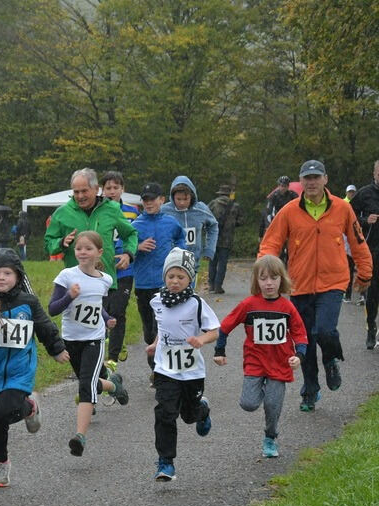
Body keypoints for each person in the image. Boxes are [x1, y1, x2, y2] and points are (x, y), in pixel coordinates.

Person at [259, 159, 372, 412]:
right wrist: (265, 270)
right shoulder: (289, 210)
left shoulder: (342, 208)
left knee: (325, 330)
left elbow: (357, 242)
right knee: (305, 343)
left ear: (325, 179)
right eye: (307, 178)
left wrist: (364, 273)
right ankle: (310, 390)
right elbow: (270, 243)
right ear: (302, 182)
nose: (311, 182)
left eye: (316, 177)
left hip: (333, 282)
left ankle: (331, 359)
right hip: (299, 285)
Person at [0, 248, 67, 487]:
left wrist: (56, 348)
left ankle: (28, 406)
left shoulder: (28, 302)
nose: (2, 278)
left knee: (5, 411)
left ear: (17, 276)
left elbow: (45, 326)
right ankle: (1, 464)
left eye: (7, 273)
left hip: (19, 371)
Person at [213, 255, 308, 459]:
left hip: (280, 363)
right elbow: (225, 327)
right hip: (255, 362)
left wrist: (299, 355)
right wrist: (219, 351)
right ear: (256, 281)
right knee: (248, 404)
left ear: (281, 279)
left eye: (274, 278)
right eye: (263, 278)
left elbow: (300, 333)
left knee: (273, 405)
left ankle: (270, 437)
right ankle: (265, 390)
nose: (269, 283)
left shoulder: (287, 307)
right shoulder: (249, 305)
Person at [48, 231, 129, 457]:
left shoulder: (105, 280)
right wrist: (69, 297)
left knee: (86, 385)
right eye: (79, 248)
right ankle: (114, 385)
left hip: (94, 339)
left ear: (99, 253)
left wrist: (106, 318)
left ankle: (79, 437)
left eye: (88, 248)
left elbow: (96, 305)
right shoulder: (66, 276)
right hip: (71, 340)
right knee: (92, 382)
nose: (82, 252)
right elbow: (52, 309)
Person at [146, 248, 220, 481]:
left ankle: (202, 410)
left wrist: (201, 340)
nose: (175, 281)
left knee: (188, 415)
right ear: (165, 277)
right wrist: (155, 343)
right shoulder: (157, 301)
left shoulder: (196, 304)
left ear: (190, 279)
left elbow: (215, 331)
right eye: (171, 276)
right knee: (165, 412)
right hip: (166, 368)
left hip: (191, 371)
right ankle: (165, 462)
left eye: (180, 277)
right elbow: (164, 326)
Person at [44, 168, 138, 291]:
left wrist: (128, 254)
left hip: (106, 281)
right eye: (76, 192)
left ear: (96, 189)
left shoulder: (112, 209)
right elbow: (48, 244)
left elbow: (131, 234)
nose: (80, 196)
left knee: (113, 311)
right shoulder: (62, 213)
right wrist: (61, 243)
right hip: (76, 286)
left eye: (84, 191)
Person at [131, 182, 187, 380]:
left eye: (152, 199)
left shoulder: (171, 222)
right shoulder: (135, 225)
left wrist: (177, 253)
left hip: (165, 285)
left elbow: (181, 239)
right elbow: (124, 248)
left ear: (162, 200)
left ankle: (161, 373)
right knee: (148, 332)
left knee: (161, 328)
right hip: (144, 284)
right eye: (145, 200)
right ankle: (155, 368)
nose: (148, 203)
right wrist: (138, 246)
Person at [100, 170, 139, 367]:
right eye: (108, 188)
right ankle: (105, 347)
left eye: (116, 187)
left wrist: (131, 252)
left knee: (117, 310)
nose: (112, 191)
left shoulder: (132, 211)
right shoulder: (97, 211)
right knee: (101, 310)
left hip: (125, 270)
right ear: (102, 190)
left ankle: (112, 358)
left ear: (123, 189)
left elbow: (135, 234)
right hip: (102, 269)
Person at [160, 176, 218, 290]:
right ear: (172, 197)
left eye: (185, 199)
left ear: (192, 196)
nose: (182, 203)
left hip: (192, 263)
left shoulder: (201, 209)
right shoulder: (164, 211)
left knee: (188, 298)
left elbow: (213, 226)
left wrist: (209, 249)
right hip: (169, 263)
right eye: (178, 199)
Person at [350, 159, 379, 348]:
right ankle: (371, 330)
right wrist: (365, 219)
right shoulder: (365, 193)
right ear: (375, 173)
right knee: (373, 294)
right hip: (373, 251)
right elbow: (349, 215)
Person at [207, 184, 242, 294]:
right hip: (227, 239)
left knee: (212, 262)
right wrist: (231, 224)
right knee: (222, 263)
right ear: (228, 194)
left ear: (220, 193)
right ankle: (218, 286)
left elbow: (205, 218)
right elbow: (241, 221)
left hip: (213, 238)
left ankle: (211, 285)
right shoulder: (235, 206)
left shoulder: (213, 204)